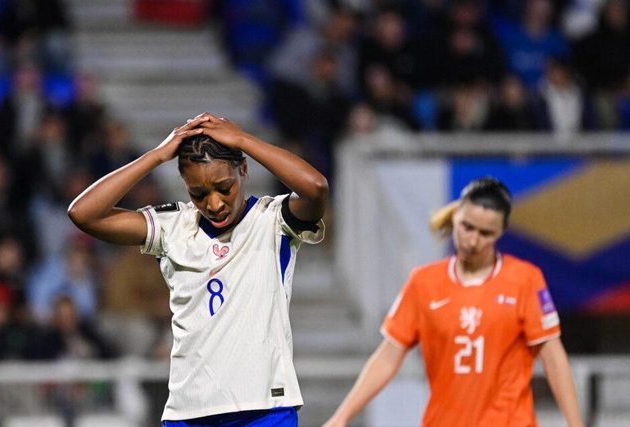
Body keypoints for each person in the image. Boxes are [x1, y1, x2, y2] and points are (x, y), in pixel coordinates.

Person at [68, 112, 328, 426]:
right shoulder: (172, 226)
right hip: (189, 412)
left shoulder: (272, 220)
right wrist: (156, 156)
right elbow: (84, 214)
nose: (214, 203)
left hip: (265, 408)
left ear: (243, 169)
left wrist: (244, 140)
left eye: (224, 187)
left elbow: (315, 187)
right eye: (199, 193)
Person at [323, 177, 583, 427]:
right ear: (455, 217)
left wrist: (575, 423)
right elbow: (389, 356)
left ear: (501, 232)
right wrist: (342, 416)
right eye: (467, 227)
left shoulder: (525, 280)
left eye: (485, 233)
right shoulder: (423, 283)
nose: (472, 240)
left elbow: (553, 357)